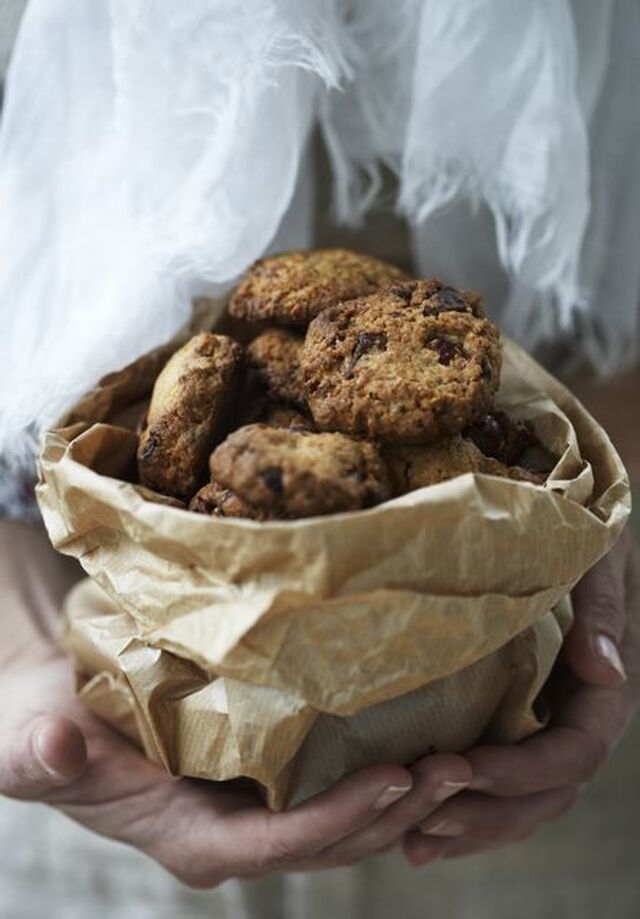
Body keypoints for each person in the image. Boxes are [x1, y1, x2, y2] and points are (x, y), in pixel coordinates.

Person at [0, 1, 639, 916]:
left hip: (519, 734)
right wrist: (12, 629)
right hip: (127, 682)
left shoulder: (351, 369)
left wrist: (605, 512)